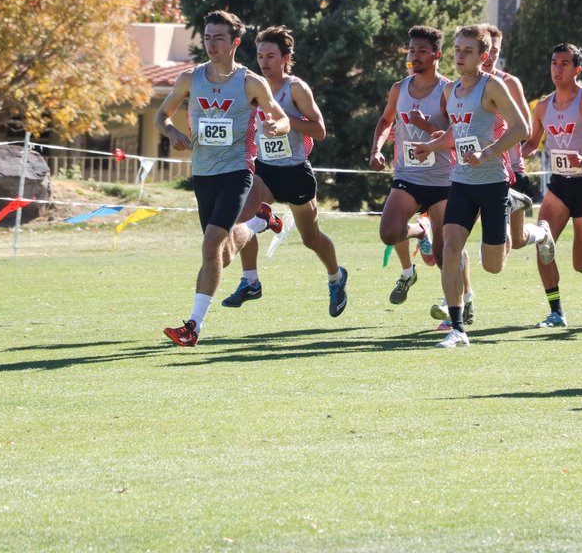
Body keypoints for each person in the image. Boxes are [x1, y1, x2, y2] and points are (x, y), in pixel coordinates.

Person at [155, 11, 291, 347]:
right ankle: (261, 222)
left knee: (211, 244)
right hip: (203, 175)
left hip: (237, 171)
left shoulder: (250, 83)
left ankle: (193, 327)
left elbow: (282, 117)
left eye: (218, 37)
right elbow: (161, 114)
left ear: (234, 42)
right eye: (207, 36)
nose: (211, 43)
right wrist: (171, 131)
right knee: (222, 255)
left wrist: (276, 127)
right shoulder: (190, 78)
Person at [413, 24, 551, 348]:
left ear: (483, 56)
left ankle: (532, 224)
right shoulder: (450, 91)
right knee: (449, 247)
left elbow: (523, 128)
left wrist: (487, 153)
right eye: (457, 50)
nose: (459, 56)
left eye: (468, 51)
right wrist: (432, 147)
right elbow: (456, 134)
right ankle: (458, 329)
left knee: (493, 266)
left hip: (493, 182)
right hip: (460, 181)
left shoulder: (493, 87)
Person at [219, 26, 349, 317]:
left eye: (271, 56)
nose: (264, 62)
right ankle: (250, 281)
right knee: (243, 215)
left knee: (311, 239)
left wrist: (285, 119)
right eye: (260, 55)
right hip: (265, 170)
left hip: (295, 173)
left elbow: (320, 130)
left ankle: (336, 277)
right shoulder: (253, 86)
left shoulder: (295, 88)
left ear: (285, 57)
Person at [521, 43, 582, 329]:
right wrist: (513, 152)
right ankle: (556, 312)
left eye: (564, 63)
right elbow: (532, 143)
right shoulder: (542, 106)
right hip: (559, 186)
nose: (557, 68)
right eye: (553, 62)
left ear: (577, 69)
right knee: (542, 244)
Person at [368, 26, 458, 309]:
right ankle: (420, 231)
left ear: (437, 55)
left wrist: (426, 127)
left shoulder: (448, 90)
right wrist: (376, 149)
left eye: (421, 51)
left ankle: (457, 304)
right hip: (408, 175)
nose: (414, 56)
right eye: (411, 50)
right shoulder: (399, 89)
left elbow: (458, 137)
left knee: (445, 255)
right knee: (389, 233)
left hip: (443, 181)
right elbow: (385, 121)